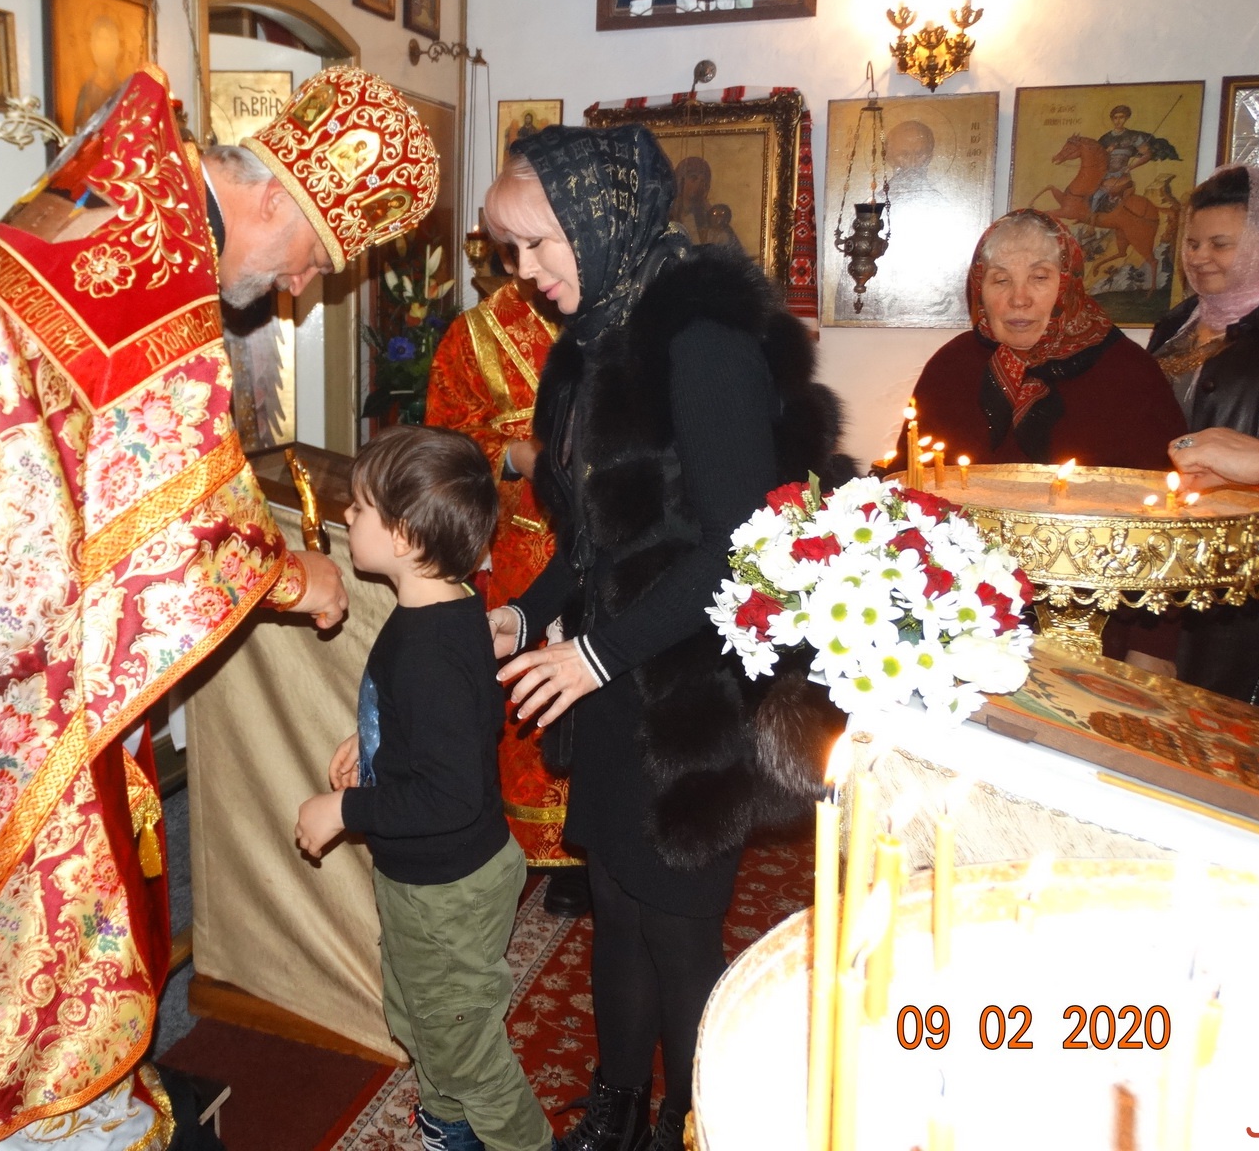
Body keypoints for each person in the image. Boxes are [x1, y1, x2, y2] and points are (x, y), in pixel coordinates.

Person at [0, 64, 440, 1151]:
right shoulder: (150, 254)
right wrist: (289, 575)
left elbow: (109, 474)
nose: (303, 288)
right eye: (315, 255)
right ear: (278, 193)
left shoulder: (121, 188)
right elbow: (180, 516)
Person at [482, 128, 849, 1151]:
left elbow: (739, 545)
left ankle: (694, 1125)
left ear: (601, 220)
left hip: (695, 694)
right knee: (616, 903)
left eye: (539, 244)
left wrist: (593, 654)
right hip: (616, 674)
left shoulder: (702, 341)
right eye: (511, 252)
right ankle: (617, 1109)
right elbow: (593, 534)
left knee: (680, 931)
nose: (526, 273)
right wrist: (530, 608)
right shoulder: (596, 333)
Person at [296, 426, 553, 1151]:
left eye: (361, 508)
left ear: (405, 537)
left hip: (448, 888)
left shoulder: (430, 652)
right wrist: (375, 740)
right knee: (421, 1015)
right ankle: (449, 1124)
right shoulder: (448, 607)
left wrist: (343, 808)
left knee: (466, 1050)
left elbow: (449, 796)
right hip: (431, 877)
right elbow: (455, 723)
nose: (347, 515)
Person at [896, 210, 1185, 671]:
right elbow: (904, 490)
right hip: (958, 625)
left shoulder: (1129, 375)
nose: (1019, 298)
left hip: (1095, 635)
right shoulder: (951, 368)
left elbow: (1169, 524)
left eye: (1040, 277)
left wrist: (1154, 647)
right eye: (1000, 280)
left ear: (1068, 283)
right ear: (979, 288)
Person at [426, 276, 588, 916]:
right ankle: (520, 845)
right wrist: (513, 456)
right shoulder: (474, 334)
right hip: (521, 546)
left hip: (607, 537)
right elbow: (443, 441)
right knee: (523, 697)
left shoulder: (617, 315)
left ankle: (584, 849)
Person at [1149, 165, 1259, 703]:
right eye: (1192, 243)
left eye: (1221, 244)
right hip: (1166, 561)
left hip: (1253, 586)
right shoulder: (1178, 324)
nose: (1200, 257)